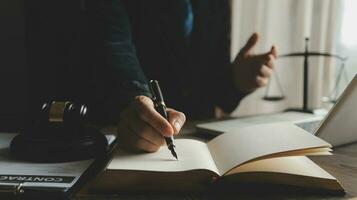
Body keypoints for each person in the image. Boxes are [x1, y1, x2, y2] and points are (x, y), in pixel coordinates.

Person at [26, 0, 277, 153]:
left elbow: (214, 89)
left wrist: (236, 82)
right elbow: (115, 46)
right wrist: (138, 97)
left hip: (199, 141)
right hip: (118, 134)